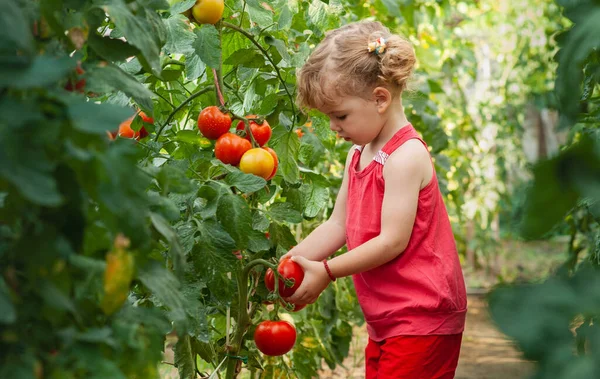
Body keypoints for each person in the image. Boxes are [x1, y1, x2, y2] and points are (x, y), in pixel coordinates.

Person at [282, 21, 467, 379]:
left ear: (380, 99)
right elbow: (337, 225)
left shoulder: (405, 156)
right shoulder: (359, 154)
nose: (334, 127)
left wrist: (327, 271)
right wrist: (291, 262)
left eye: (340, 115)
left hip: (422, 314)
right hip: (388, 316)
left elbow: (391, 241)